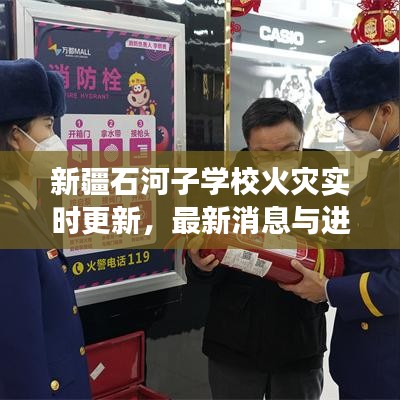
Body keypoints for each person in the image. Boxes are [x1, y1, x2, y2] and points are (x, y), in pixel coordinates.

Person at [186, 98, 341, 400]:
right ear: (248, 147)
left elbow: (339, 252)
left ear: (302, 140)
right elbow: (200, 261)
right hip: (234, 342)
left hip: (299, 341)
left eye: (288, 150)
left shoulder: (325, 181)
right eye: (264, 154)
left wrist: (326, 287)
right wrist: (200, 264)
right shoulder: (222, 186)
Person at [279, 44, 400, 399]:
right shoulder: (385, 164)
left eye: (349, 120)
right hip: (368, 358)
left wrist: (329, 290)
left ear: (386, 111)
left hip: (386, 364)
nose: (347, 131)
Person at [0, 59, 91, 398]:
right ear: (16, 137)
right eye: (48, 126)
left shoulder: (24, 206)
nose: (56, 140)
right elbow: (19, 352)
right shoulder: (9, 220)